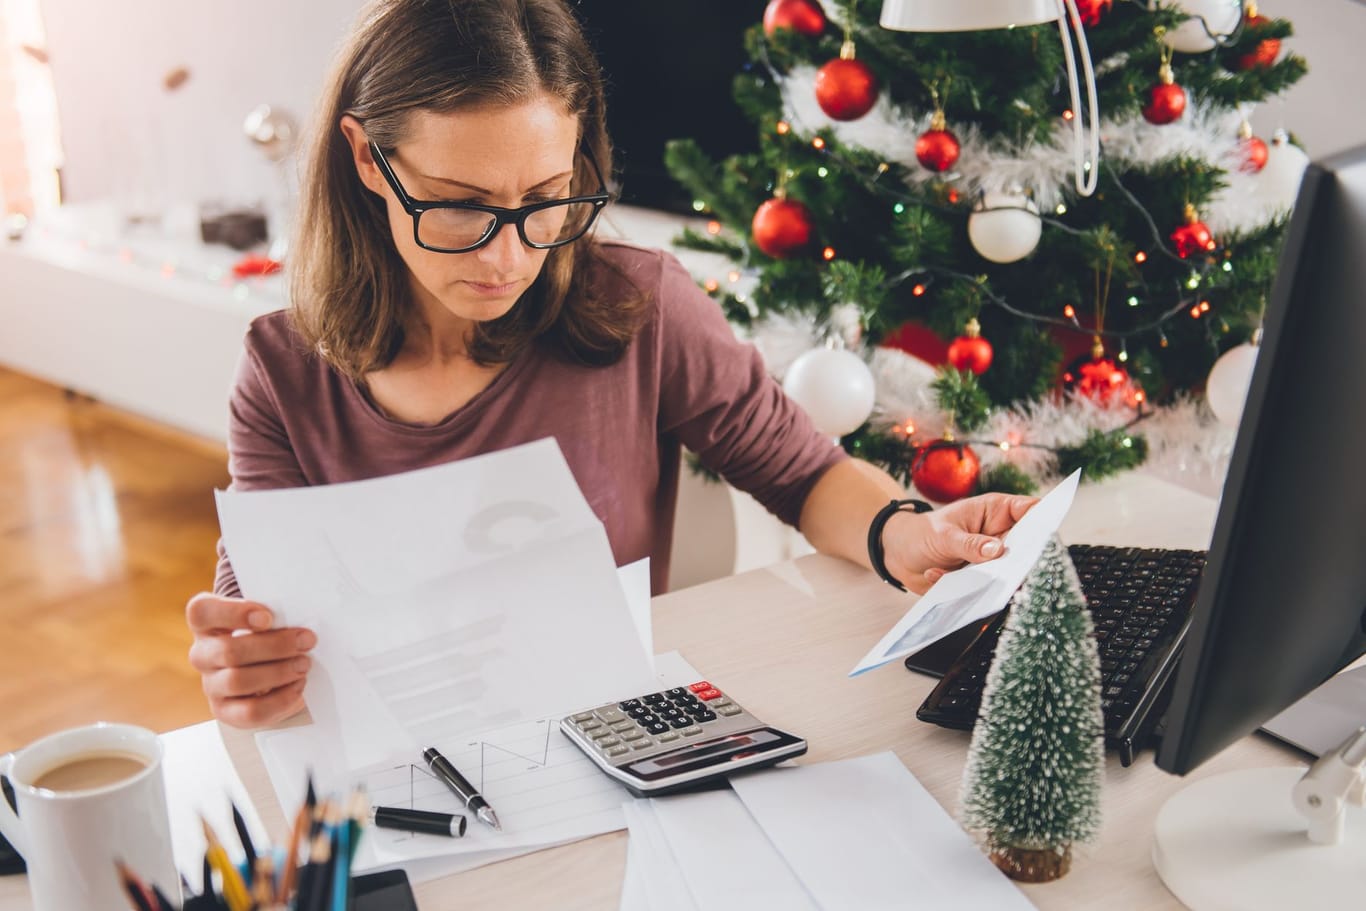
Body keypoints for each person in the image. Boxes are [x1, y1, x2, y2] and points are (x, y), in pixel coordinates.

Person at [186, 0, 1036, 728]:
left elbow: (805, 474)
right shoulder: (282, 373)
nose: (510, 257)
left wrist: (909, 533)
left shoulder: (642, 306)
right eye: (463, 207)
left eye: (546, 198)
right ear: (370, 160)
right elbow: (260, 625)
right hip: (404, 764)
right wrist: (245, 668)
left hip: (610, 739)